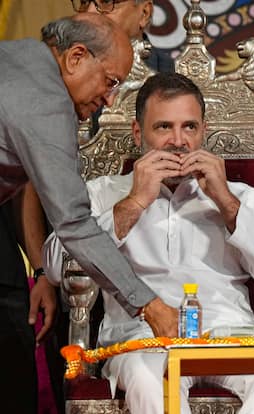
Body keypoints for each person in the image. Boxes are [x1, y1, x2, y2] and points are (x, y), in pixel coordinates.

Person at [43, 72, 254, 414]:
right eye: (164, 127)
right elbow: (55, 266)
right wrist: (134, 203)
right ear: (139, 133)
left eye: (190, 127)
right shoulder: (104, 193)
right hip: (141, 338)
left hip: (231, 333)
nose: (178, 141)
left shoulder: (241, 197)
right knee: (148, 375)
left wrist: (225, 201)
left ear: (203, 131)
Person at [0, 13, 179, 412]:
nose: (110, 98)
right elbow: (74, 223)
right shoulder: (47, 100)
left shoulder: (19, 57)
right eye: (111, 81)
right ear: (76, 57)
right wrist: (149, 304)